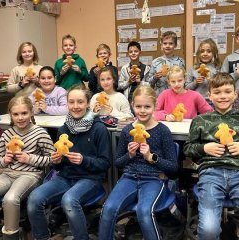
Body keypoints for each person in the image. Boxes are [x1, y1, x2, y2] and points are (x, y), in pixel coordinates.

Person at [27, 84, 111, 240]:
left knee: (69, 200)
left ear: (88, 104)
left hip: (90, 178)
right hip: (65, 177)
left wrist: (83, 160)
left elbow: (105, 164)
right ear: (67, 104)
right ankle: (42, 237)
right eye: (71, 102)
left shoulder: (99, 129)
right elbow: (59, 167)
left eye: (80, 102)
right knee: (34, 198)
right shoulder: (63, 129)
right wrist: (56, 161)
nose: (76, 106)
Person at [99, 85, 178, 240]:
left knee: (144, 211)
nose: (142, 110)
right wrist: (129, 154)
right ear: (132, 106)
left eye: (147, 106)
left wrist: (151, 157)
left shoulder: (163, 131)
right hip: (129, 177)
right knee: (108, 208)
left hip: (153, 179)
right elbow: (118, 163)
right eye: (138, 106)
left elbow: (173, 168)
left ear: (155, 106)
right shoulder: (128, 130)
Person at [184, 72, 239, 240]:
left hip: (238, 171)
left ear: (235, 94)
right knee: (208, 230)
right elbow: (188, 149)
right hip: (211, 174)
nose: (223, 96)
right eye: (217, 92)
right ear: (209, 95)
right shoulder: (200, 120)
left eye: (227, 91)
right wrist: (204, 148)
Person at [0, 96, 54, 240]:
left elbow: (52, 160)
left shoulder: (40, 133)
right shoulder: (7, 134)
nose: (20, 117)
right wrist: (4, 160)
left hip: (31, 175)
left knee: (10, 199)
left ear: (31, 113)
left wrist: (29, 158)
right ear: (10, 115)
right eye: (16, 114)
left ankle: (11, 237)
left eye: (24, 113)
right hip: (8, 173)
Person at [146, 31, 185, 96]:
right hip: (159, 95)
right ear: (161, 45)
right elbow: (149, 83)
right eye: (165, 43)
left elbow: (184, 80)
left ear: (175, 45)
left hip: (176, 95)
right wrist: (155, 77)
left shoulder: (180, 61)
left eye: (170, 43)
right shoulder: (155, 62)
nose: (167, 46)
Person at [221, 27, 239, 109]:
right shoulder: (229, 58)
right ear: (237, 38)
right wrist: (236, 74)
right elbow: (221, 80)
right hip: (235, 97)